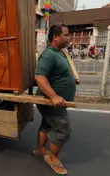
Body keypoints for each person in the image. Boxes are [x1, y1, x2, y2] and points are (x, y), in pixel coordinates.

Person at [33, 24, 78, 175]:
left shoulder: (59, 52)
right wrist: (53, 96)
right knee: (62, 128)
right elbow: (39, 76)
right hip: (50, 102)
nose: (69, 38)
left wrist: (72, 78)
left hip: (55, 102)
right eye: (66, 35)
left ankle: (40, 150)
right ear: (56, 37)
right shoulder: (49, 54)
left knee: (47, 124)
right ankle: (52, 157)